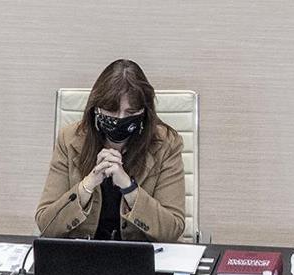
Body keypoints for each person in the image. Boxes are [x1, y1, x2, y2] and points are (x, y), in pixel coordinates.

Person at [35, 60, 186, 242]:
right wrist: (87, 185)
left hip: (140, 259)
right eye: (111, 111)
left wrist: (129, 188)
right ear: (96, 109)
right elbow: (46, 224)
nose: (120, 119)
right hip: (82, 257)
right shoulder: (69, 140)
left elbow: (172, 230)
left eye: (130, 113)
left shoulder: (166, 144)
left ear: (145, 113)